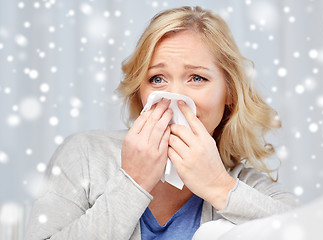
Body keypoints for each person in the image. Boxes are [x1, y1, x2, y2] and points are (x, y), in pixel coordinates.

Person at [25, 6, 297, 240]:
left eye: (197, 78)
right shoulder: (84, 155)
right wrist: (133, 183)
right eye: (157, 79)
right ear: (140, 92)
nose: (175, 97)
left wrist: (218, 186)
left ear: (229, 93)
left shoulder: (246, 185)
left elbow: (307, 230)